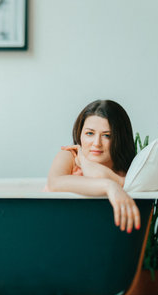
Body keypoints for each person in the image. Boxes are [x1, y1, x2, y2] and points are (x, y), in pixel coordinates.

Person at [46, 99, 140, 233]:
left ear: (120, 139)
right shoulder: (69, 156)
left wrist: (85, 163)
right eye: (89, 133)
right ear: (80, 133)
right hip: (59, 228)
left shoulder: (127, 170)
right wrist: (110, 186)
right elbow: (54, 183)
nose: (97, 143)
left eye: (107, 135)